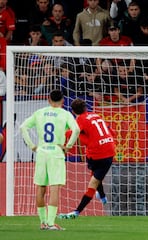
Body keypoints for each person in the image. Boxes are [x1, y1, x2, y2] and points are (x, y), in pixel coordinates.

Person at [19, 89, 80, 230]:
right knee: (54, 188)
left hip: (41, 152)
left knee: (40, 188)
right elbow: (76, 129)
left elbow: (23, 127)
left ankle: (43, 222)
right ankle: (51, 223)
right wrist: (68, 146)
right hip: (56, 152)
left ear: (49, 100)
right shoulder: (65, 114)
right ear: (63, 101)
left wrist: (32, 146)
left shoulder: (39, 113)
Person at [58, 98, 115, 219]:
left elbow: (74, 133)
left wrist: (64, 133)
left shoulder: (80, 120)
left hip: (98, 154)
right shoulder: (96, 115)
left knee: (93, 182)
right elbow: (110, 132)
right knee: (95, 176)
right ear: (85, 108)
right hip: (109, 149)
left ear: (73, 112)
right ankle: (102, 195)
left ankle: (77, 211)